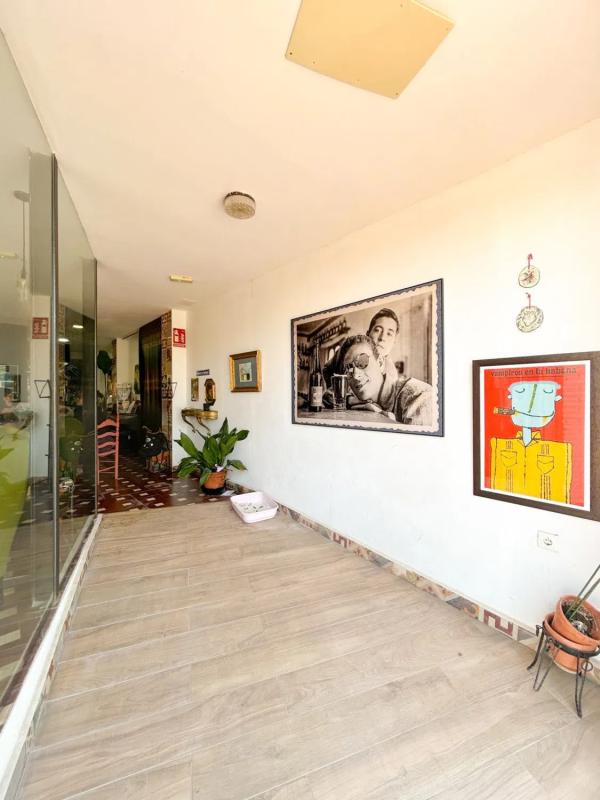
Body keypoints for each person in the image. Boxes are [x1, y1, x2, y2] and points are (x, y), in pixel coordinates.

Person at [335, 335, 433, 425]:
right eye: (349, 368)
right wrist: (348, 400)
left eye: (362, 363)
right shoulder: (360, 398)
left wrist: (387, 423)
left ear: (380, 363)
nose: (356, 375)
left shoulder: (419, 397)